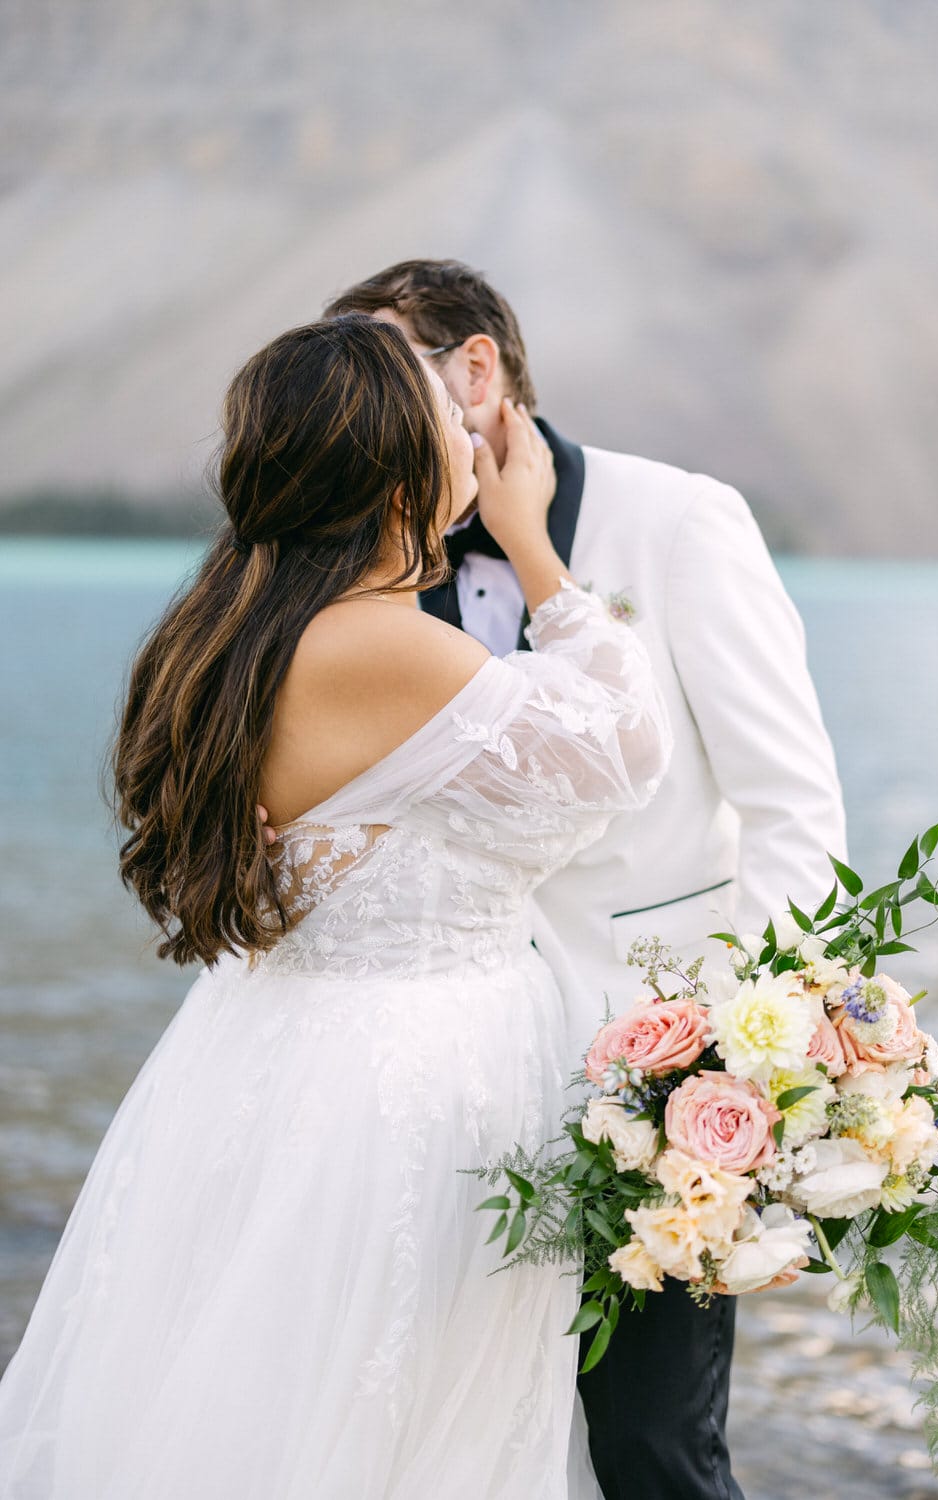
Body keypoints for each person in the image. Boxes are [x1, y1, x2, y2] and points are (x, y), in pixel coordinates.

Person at [0, 316, 670, 1498]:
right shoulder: (386, 649)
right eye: (447, 422)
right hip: (407, 1084)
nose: (474, 436)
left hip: (275, 1051)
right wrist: (532, 548)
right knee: (397, 1422)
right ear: (396, 463)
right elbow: (624, 753)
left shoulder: (224, 631)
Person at [319, 261, 849, 1500]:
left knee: (654, 1444)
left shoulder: (677, 521)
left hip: (655, 1090)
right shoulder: (371, 555)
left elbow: (790, 806)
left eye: (392, 378)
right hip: (440, 1086)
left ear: (475, 373)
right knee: (449, 1430)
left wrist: (748, 1065)